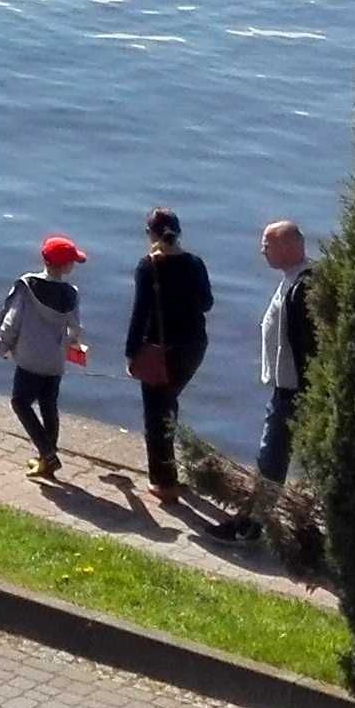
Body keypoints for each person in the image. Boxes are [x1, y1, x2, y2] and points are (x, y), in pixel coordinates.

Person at [124, 206, 212, 505]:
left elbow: (140, 314)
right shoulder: (195, 263)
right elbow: (207, 303)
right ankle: (172, 470)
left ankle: (163, 482)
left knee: (155, 414)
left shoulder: (148, 267)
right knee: (169, 401)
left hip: (160, 349)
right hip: (194, 346)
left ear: (151, 234)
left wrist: (131, 353)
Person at [0, 235, 89, 479]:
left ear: (44, 259)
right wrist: (70, 344)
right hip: (54, 362)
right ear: (67, 267)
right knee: (49, 405)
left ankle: (47, 453)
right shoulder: (71, 293)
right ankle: (48, 459)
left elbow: (11, 322)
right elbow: (74, 330)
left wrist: (4, 346)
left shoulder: (27, 286)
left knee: (20, 403)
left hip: (29, 360)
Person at [252, 220, 316, 497]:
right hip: (285, 387)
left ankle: (255, 523)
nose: (262, 251)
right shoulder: (292, 278)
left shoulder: (302, 288)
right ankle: (257, 517)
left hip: (292, 390)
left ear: (286, 247)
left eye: (267, 245)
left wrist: (305, 392)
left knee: (272, 455)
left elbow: (307, 344)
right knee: (273, 453)